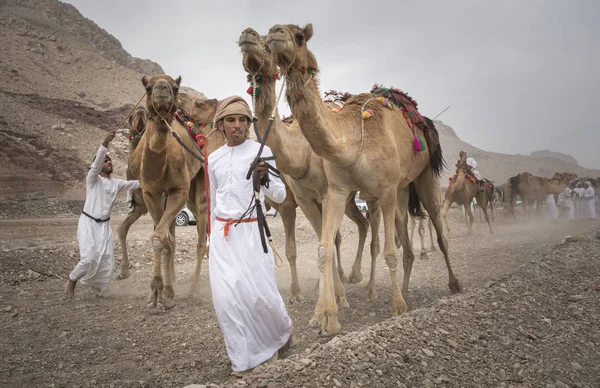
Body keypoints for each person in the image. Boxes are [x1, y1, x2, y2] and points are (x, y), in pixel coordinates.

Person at [207, 96, 293, 377]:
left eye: (243, 120)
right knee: (226, 299)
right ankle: (242, 360)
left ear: (249, 124)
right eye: (231, 120)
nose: (237, 126)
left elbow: (280, 195)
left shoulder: (262, 150)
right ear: (220, 124)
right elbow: (213, 201)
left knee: (260, 296)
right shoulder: (214, 158)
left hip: (252, 232)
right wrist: (210, 238)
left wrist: (265, 177)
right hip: (223, 236)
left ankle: (281, 334)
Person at [64, 129, 140, 299]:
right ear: (97, 167)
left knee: (106, 261)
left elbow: (137, 183)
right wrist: (105, 143)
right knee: (89, 258)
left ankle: (97, 289)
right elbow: (96, 163)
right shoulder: (93, 179)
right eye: (105, 161)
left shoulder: (116, 183)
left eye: (110, 160)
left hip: (104, 225)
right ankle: (71, 281)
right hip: (88, 223)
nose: (108, 162)